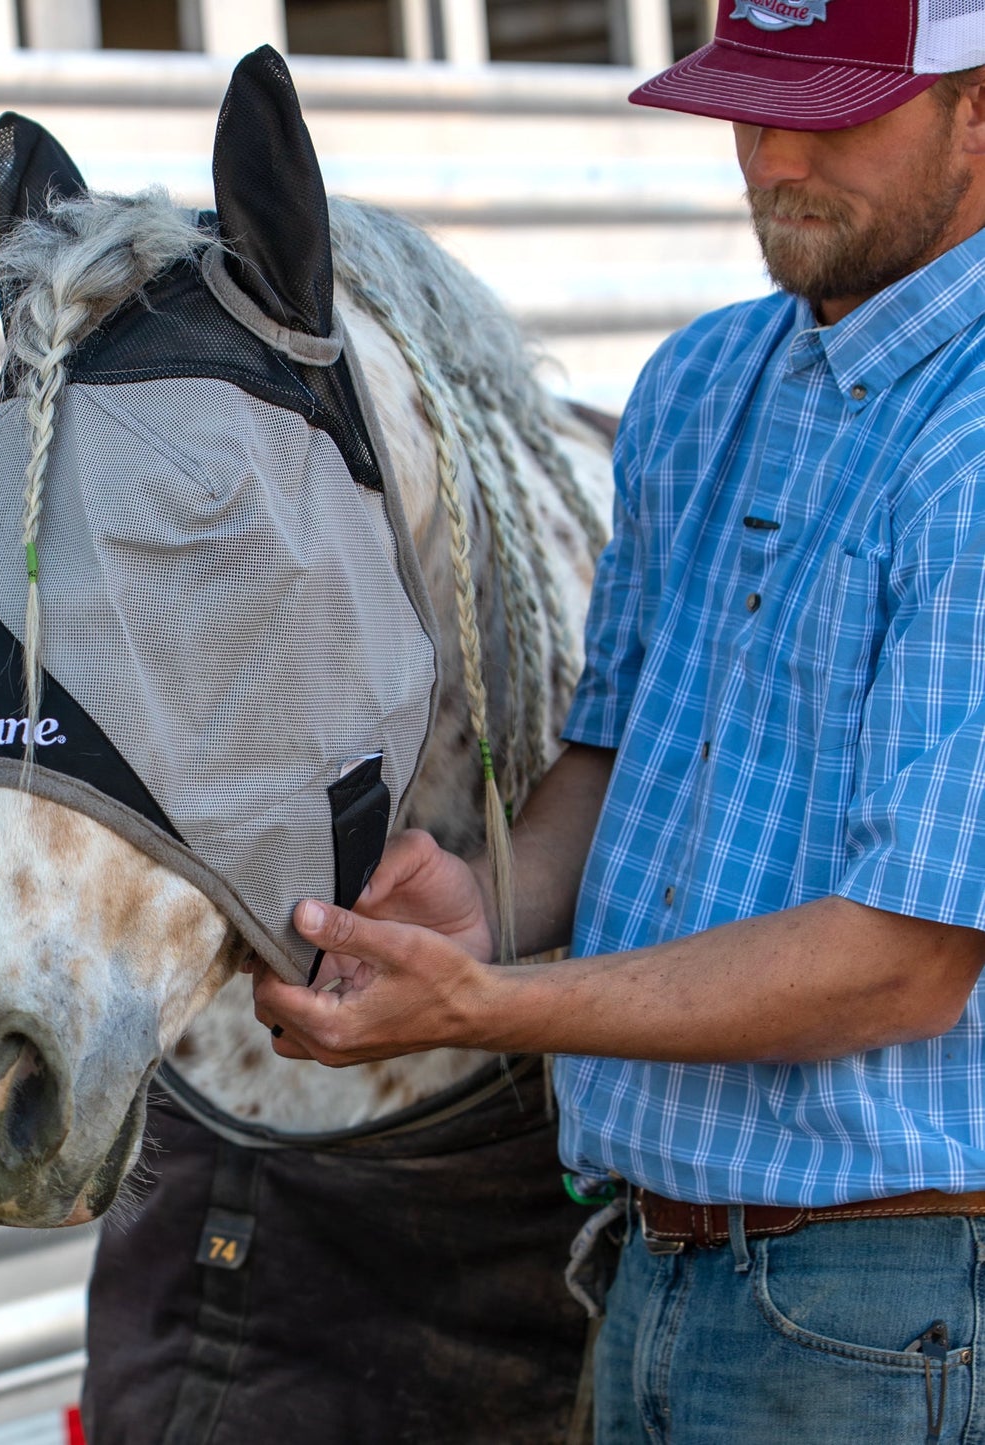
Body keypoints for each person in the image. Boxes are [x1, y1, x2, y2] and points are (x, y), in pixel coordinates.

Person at [253, 1, 985, 1439]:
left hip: (890, 1298)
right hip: (650, 1263)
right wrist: (487, 909)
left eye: (829, 108)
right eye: (745, 104)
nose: (770, 154)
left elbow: (899, 963)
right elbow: (614, 755)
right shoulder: (700, 385)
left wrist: (487, 1008)